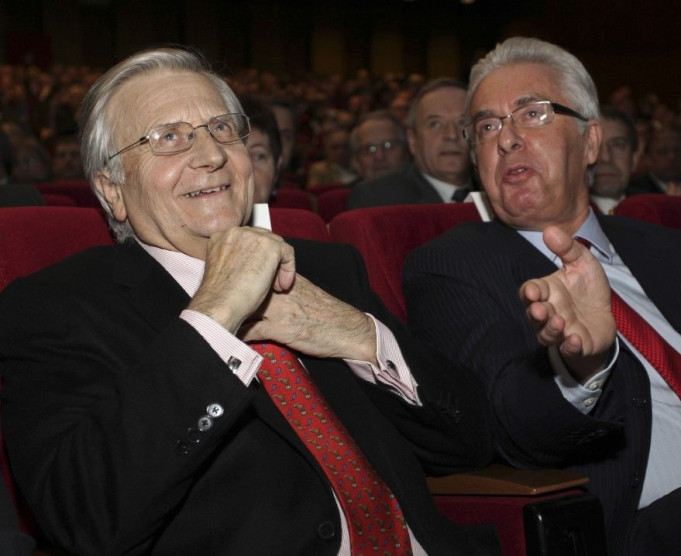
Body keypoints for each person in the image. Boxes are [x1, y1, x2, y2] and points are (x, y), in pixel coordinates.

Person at [0, 46, 501, 556]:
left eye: (222, 129)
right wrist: (214, 316)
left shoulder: (325, 269)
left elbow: (469, 441)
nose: (211, 155)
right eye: (169, 138)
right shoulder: (53, 309)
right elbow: (84, 518)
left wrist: (359, 336)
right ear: (112, 190)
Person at [404, 37, 681, 556]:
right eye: (487, 126)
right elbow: (509, 424)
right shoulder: (453, 265)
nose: (507, 138)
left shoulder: (673, 250)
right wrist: (581, 368)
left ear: (592, 141)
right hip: (650, 528)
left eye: (532, 113)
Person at [348, 78, 474, 209]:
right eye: (435, 124)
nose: (451, 135)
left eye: (462, 123)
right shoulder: (378, 199)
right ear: (412, 139)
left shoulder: (493, 189)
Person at [590, 107, 639, 214]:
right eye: (594, 146)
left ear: (634, 159)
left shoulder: (656, 215)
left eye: (617, 145)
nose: (605, 158)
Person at [240, 97, 282, 203]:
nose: (247, 167)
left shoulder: (299, 220)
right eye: (238, 155)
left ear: (277, 169)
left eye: (259, 156)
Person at [349, 110, 410, 183]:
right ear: (356, 162)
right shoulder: (347, 194)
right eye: (369, 149)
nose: (379, 156)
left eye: (388, 145)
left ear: (406, 153)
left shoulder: (425, 192)